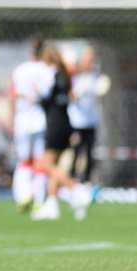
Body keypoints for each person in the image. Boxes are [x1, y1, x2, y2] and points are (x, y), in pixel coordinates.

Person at [31, 46, 92, 221]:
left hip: (55, 124)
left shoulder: (50, 74)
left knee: (45, 165)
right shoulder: (65, 76)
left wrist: (35, 94)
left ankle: (76, 189)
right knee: (54, 166)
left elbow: (45, 97)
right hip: (65, 123)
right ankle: (51, 205)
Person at [8, 37, 54, 211]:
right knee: (40, 161)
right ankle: (39, 200)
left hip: (22, 121)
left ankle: (23, 196)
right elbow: (48, 96)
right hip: (40, 120)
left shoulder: (20, 70)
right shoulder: (46, 70)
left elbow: (13, 95)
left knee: (24, 161)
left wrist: (11, 119)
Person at [68, 48, 102, 183]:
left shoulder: (96, 75)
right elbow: (70, 95)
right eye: (88, 58)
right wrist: (76, 95)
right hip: (77, 121)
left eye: (92, 58)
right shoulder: (75, 76)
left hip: (91, 121)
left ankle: (86, 181)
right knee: (76, 152)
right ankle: (70, 180)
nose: (90, 61)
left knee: (89, 153)